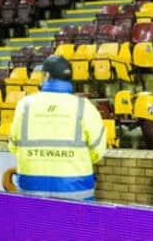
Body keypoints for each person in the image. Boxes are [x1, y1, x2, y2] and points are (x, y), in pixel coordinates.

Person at [9, 56, 106, 201]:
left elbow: (13, 145)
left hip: (32, 186)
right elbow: (98, 150)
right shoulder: (85, 106)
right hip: (75, 187)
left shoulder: (25, 105)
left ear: (47, 76)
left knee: (33, 225)